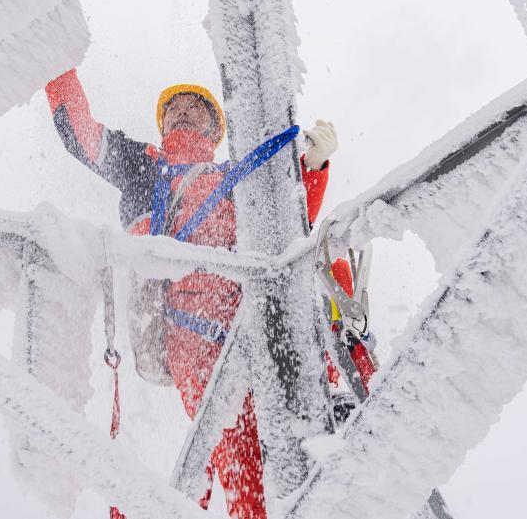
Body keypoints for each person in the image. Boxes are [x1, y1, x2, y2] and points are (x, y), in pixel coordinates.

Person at [45, 69, 338, 519]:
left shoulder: (239, 177)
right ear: (161, 125)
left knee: (280, 432)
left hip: (249, 318)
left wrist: (312, 168)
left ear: (215, 129)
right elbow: (81, 133)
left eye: (195, 109)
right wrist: (55, 59)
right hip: (187, 324)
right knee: (235, 440)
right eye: (174, 109)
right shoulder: (142, 165)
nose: (183, 113)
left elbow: (284, 230)